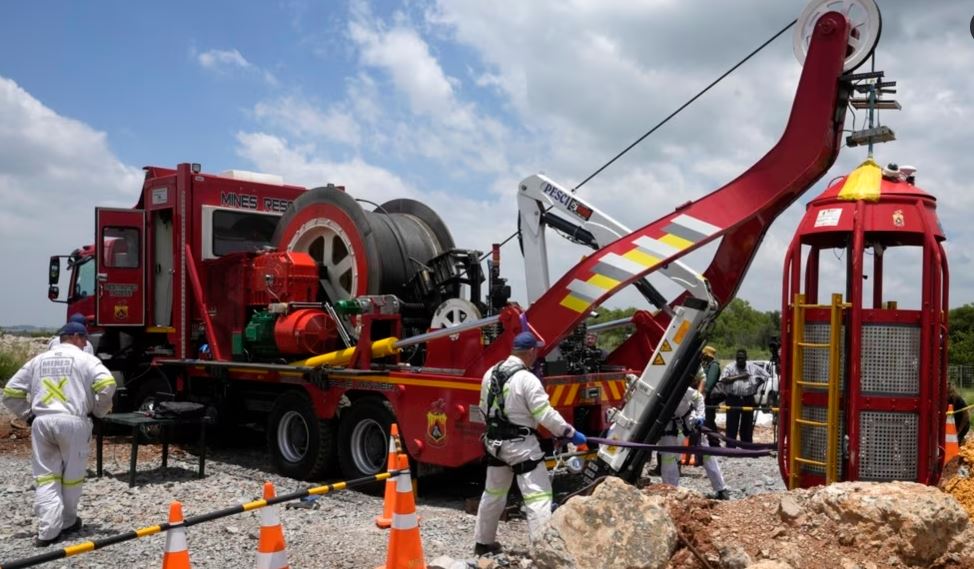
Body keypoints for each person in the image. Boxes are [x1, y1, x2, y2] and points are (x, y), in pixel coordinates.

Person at [2, 321, 116, 547]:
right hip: (73, 421)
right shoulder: (86, 360)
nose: (85, 344)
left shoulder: (38, 361)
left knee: (46, 477)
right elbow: (107, 383)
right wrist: (98, 410)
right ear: (75, 337)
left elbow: (10, 392)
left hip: (42, 422)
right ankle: (67, 522)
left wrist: (28, 415)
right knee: (72, 477)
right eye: (84, 339)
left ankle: (47, 531)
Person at [474, 330, 586, 556]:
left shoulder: (490, 374)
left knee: (493, 494)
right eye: (536, 351)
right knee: (538, 496)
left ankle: (483, 543)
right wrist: (569, 432)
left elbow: (483, 409)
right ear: (531, 352)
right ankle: (542, 549)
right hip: (521, 446)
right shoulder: (527, 379)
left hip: (495, 445)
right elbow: (545, 414)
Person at [658, 383, 730, 500]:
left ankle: (721, 488)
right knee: (668, 455)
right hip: (669, 422)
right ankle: (671, 490)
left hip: (689, 419)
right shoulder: (658, 390)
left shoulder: (680, 387)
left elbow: (699, 397)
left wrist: (700, 416)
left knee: (706, 453)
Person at [717, 349, 769, 447]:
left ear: (746, 358)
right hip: (733, 398)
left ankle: (746, 446)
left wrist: (757, 384)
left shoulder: (752, 367)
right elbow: (723, 380)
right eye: (738, 358)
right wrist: (740, 376)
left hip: (748, 399)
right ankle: (731, 447)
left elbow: (766, 375)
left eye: (742, 358)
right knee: (732, 424)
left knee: (747, 424)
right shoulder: (730, 367)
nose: (740, 360)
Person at [700, 346, 722, 449]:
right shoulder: (706, 365)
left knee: (709, 421)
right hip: (704, 397)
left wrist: (703, 396)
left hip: (708, 399)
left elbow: (709, 383)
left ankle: (714, 442)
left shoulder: (714, 366)